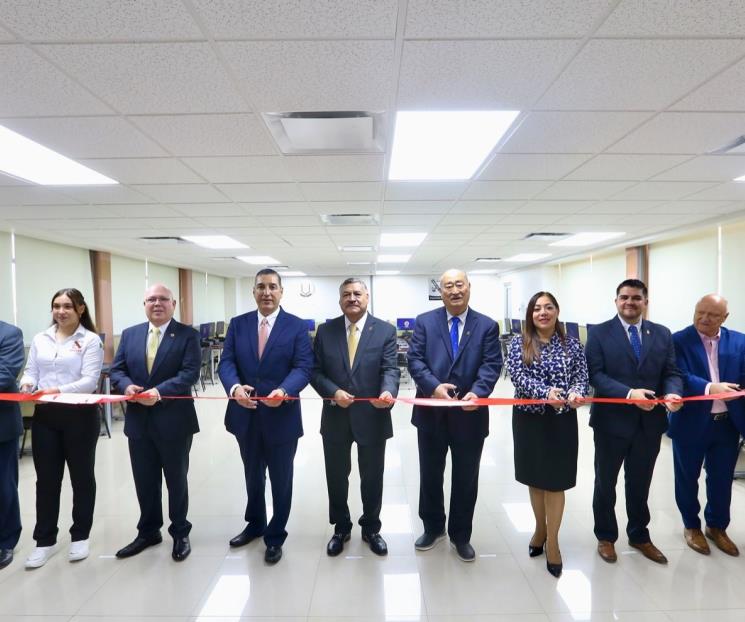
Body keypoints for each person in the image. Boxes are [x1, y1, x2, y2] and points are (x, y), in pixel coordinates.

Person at [218, 268, 313, 565]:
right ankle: (255, 523)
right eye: (261, 287)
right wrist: (234, 388)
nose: (267, 292)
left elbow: (303, 367)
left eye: (273, 287)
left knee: (281, 479)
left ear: (282, 291)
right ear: (254, 291)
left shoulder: (296, 326)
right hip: (245, 416)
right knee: (252, 475)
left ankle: (275, 535)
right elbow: (227, 362)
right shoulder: (239, 324)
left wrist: (284, 391)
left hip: (281, 416)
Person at [585, 278, 683, 565]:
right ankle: (605, 536)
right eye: (624, 298)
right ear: (616, 301)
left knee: (640, 483)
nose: (630, 303)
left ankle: (639, 535)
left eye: (636, 298)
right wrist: (629, 393)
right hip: (610, 423)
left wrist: (674, 393)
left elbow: (671, 371)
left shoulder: (662, 334)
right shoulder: (600, 333)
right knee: (606, 482)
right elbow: (596, 375)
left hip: (649, 424)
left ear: (645, 301)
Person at [407, 268, 502, 562]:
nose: (454, 290)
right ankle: (433, 527)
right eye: (448, 286)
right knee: (430, 474)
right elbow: (415, 360)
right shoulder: (424, 322)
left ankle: (461, 535)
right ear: (441, 291)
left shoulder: (486, 325)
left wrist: (479, 392)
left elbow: (491, 364)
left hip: (470, 415)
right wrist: (433, 387)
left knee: (465, 478)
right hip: (431, 415)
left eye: (459, 284)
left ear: (469, 287)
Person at [110, 284, 201, 562]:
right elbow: (117, 369)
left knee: (176, 480)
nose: (157, 303)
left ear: (174, 303)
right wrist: (126, 387)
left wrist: (158, 393)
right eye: (151, 299)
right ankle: (149, 531)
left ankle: (180, 531)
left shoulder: (187, 335)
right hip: (139, 421)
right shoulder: (131, 334)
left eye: (163, 299)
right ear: (144, 303)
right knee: (144, 480)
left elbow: (189, 373)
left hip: (174, 420)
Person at [311, 277, 400, 557]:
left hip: (373, 417)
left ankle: (371, 528)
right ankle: (341, 527)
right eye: (346, 294)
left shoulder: (385, 330)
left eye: (357, 293)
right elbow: (314, 371)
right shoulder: (326, 331)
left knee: (372, 477)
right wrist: (333, 391)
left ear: (367, 297)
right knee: (337, 477)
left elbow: (390, 369)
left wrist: (387, 392)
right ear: (340, 300)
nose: (352, 298)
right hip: (335, 416)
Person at [19, 288, 104, 569]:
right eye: (56, 306)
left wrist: (57, 389)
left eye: (68, 306)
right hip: (46, 417)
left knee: (81, 478)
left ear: (80, 309)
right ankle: (44, 540)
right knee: (46, 481)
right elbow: (32, 370)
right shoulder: (40, 338)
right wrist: (28, 384)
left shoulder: (90, 340)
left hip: (79, 415)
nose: (61, 311)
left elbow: (90, 381)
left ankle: (80, 535)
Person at [506, 292, 589, 578]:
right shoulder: (520, 343)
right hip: (529, 421)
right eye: (537, 308)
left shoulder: (573, 344)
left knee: (556, 482)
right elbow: (518, 376)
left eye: (548, 307)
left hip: (562, 421)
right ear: (530, 314)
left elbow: (581, 375)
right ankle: (540, 530)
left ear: (557, 311)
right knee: (535, 479)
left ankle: (552, 542)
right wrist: (545, 394)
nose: (543, 312)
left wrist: (577, 391)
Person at [670, 294, 745, 557]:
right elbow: (677, 374)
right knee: (687, 477)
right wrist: (711, 387)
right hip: (691, 422)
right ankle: (692, 526)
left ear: (724, 317)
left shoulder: (739, 341)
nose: (704, 318)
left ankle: (717, 526)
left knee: (722, 479)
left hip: (727, 424)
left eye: (712, 315)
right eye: (700, 312)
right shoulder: (678, 340)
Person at [0, 321, 25, 570]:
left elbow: (5, 373)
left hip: (1, 425)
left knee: (3, 486)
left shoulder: (9, 334)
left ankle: (5, 541)